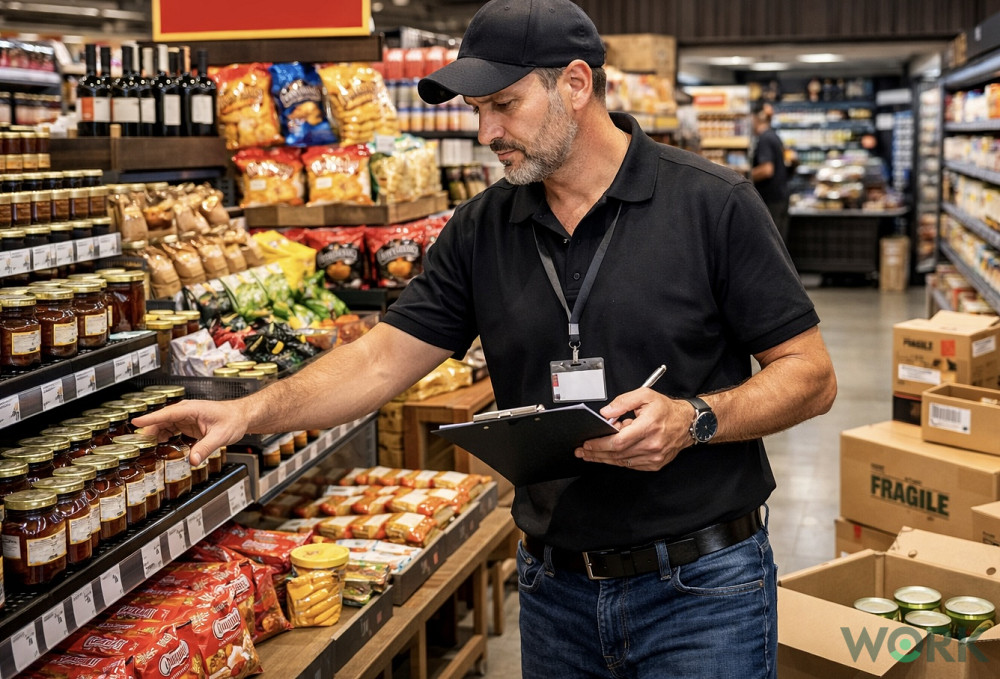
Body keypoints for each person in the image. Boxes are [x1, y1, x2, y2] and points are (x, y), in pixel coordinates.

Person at [135, 1, 837, 676]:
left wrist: (696, 419)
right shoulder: (480, 228)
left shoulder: (712, 204)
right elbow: (382, 359)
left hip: (701, 590)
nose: (486, 133)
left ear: (576, 83)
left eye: (504, 105)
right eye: (478, 111)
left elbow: (810, 373)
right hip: (555, 591)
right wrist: (248, 411)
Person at [751, 105, 793, 244]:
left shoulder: (764, 139)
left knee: (772, 244)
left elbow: (767, 170)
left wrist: (741, 178)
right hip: (780, 196)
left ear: (756, 118)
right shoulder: (774, 136)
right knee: (779, 243)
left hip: (772, 200)